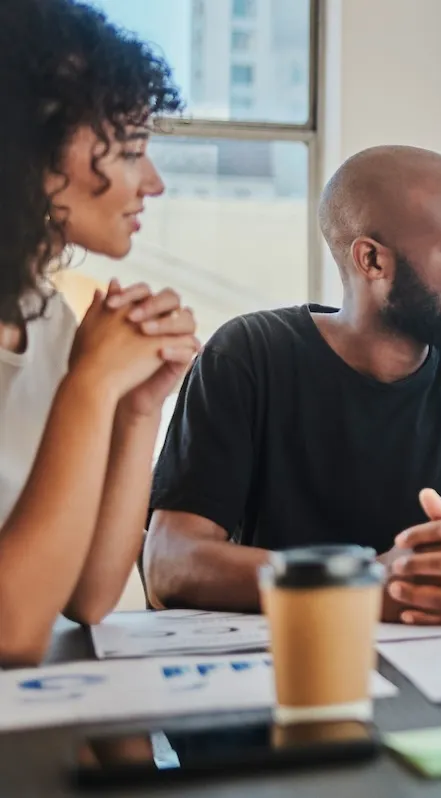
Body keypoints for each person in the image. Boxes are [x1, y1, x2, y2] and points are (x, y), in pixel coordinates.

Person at [143, 145, 441, 624]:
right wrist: (362, 582)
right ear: (371, 260)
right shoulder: (248, 355)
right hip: (298, 666)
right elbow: (170, 563)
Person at [0, 0, 200, 665]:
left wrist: (136, 406)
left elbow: (89, 595)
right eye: (133, 148)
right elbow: (12, 631)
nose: (154, 182)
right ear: (29, 142)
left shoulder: (47, 316)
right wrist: (91, 384)